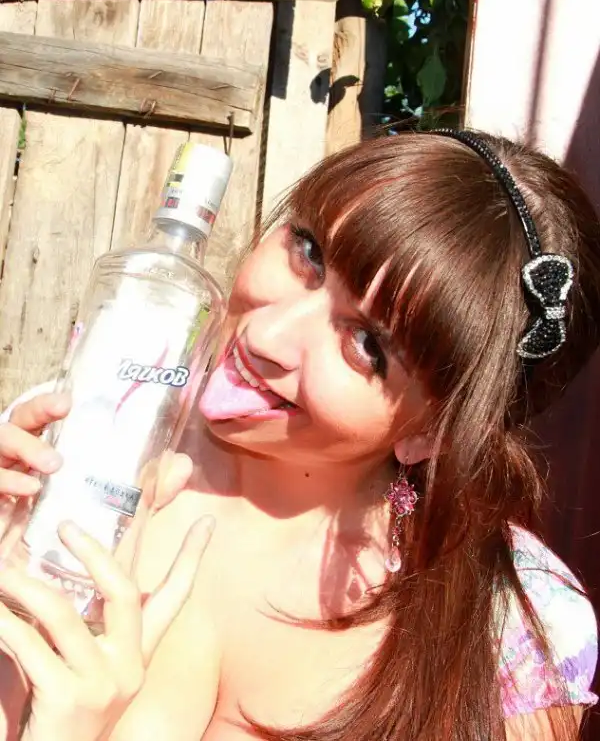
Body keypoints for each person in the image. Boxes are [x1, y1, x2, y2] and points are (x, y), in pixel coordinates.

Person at [0, 129, 598, 741]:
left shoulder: (514, 634)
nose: (266, 336)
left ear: (437, 432)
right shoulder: (80, 448)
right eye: (308, 251)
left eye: (367, 344)